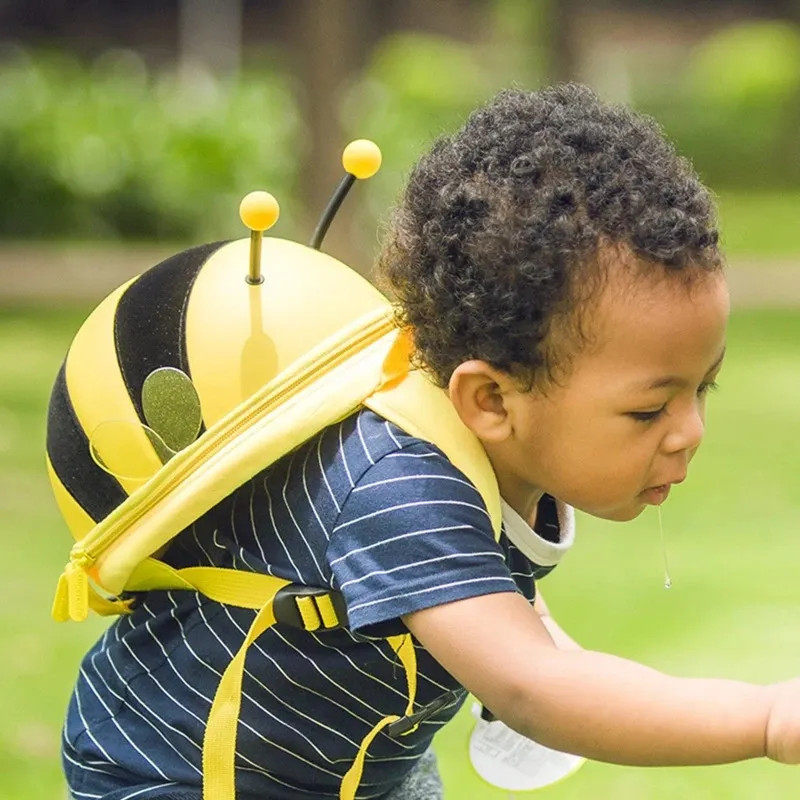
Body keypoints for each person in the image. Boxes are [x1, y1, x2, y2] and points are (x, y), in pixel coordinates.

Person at [62, 84, 800, 800]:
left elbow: (515, 628)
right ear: (489, 400)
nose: (690, 434)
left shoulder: (474, 456)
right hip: (179, 776)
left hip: (352, 768)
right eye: (648, 412)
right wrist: (766, 719)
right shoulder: (399, 487)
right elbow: (533, 688)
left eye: (702, 388)